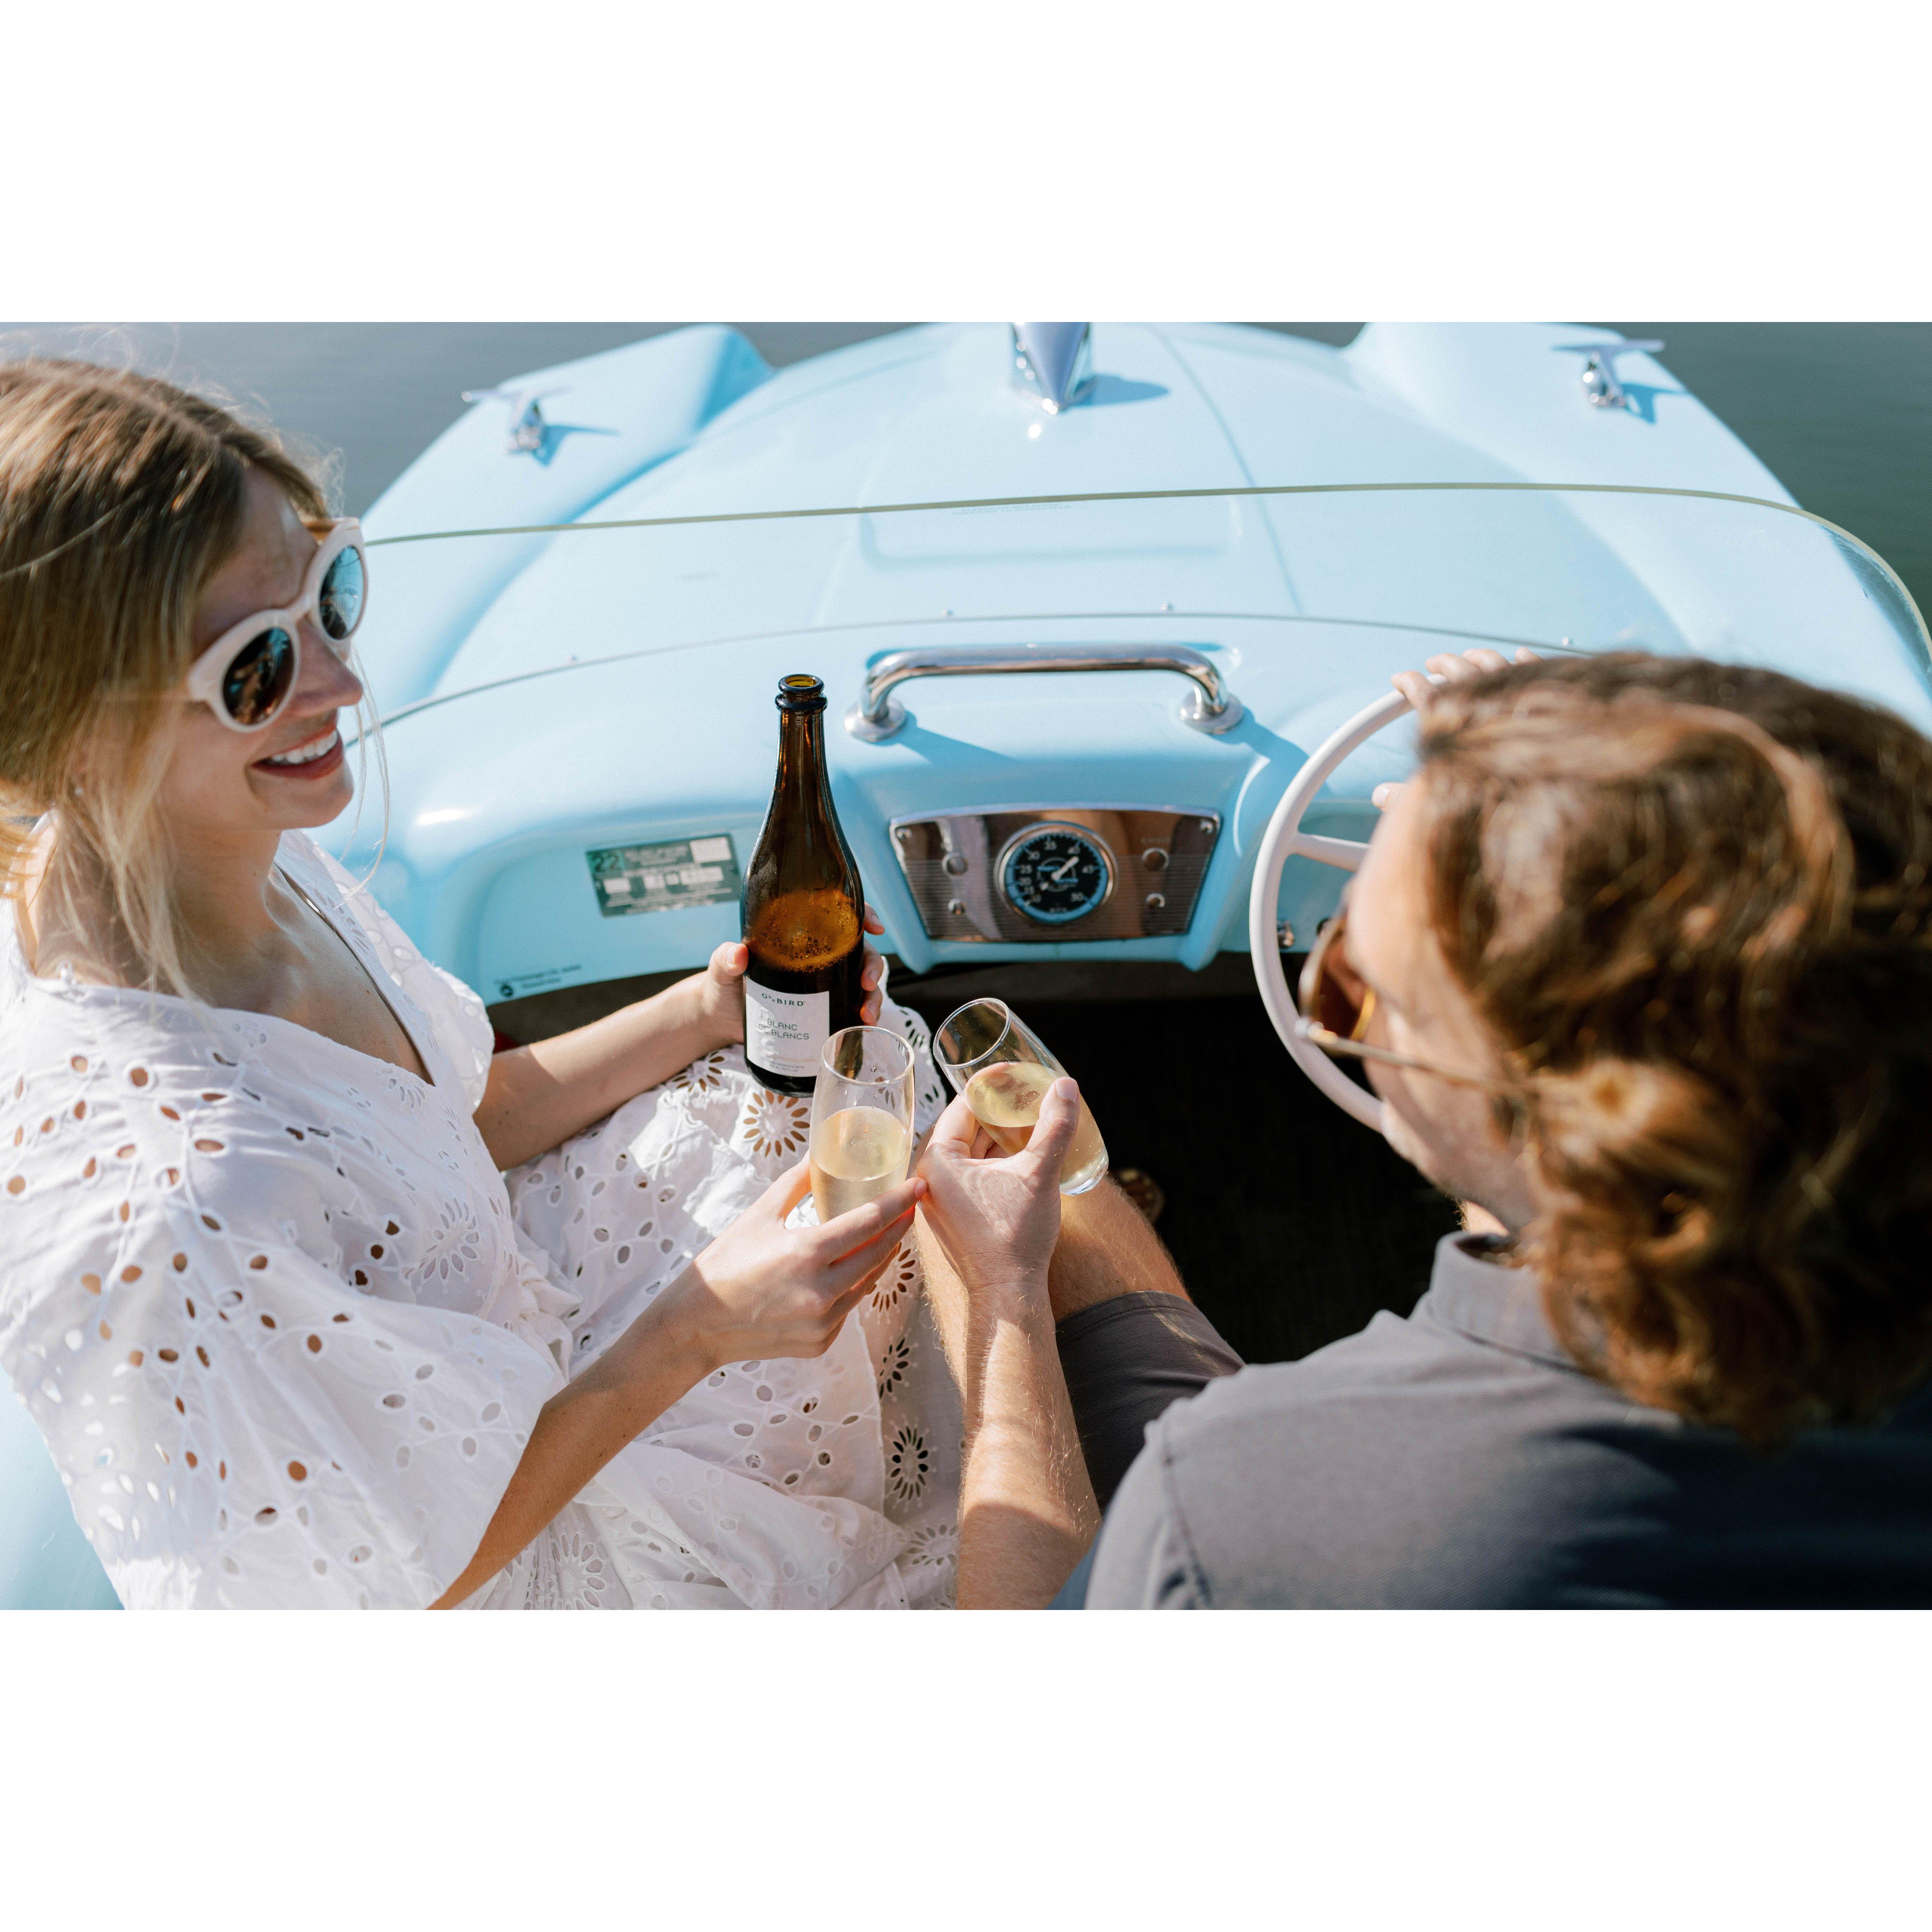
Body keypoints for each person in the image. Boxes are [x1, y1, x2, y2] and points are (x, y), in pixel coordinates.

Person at [0, 359, 965, 1610]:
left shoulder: (231, 849)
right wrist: (696, 1330)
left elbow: (441, 1122)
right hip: (512, 1549)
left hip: (522, 1338)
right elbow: (395, 1599)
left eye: (330, 591)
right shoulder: (177, 1212)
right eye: (254, 666)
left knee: (867, 1071)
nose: (341, 685)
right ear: (68, 734)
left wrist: (702, 1010)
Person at [915, 649, 1932, 1607]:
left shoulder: (1239, 1498)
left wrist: (1006, 1295)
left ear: (1523, 1107)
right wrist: (1516, 805)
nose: (1335, 1000)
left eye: (1352, 980)